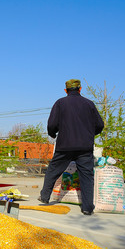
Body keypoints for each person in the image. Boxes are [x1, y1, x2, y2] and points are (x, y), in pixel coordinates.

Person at [38, 79, 104, 215]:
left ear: (65, 90)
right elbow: (100, 125)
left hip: (65, 146)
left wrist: (52, 134)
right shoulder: (89, 104)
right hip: (85, 147)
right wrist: (90, 134)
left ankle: (45, 197)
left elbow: (52, 124)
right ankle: (87, 208)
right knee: (86, 176)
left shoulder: (60, 103)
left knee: (53, 170)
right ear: (80, 89)